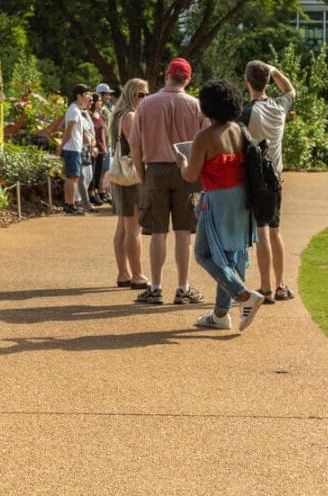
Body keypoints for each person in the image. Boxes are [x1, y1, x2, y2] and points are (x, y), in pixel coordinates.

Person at [177, 79, 267, 332]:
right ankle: (220, 314)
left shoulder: (204, 137)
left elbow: (191, 175)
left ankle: (242, 295)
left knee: (205, 254)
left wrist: (181, 163)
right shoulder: (239, 129)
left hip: (217, 200)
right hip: (241, 199)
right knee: (229, 256)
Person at [126, 57, 206, 306]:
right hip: (186, 170)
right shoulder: (195, 106)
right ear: (188, 79)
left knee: (157, 232)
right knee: (184, 232)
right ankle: (183, 287)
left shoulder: (147, 104)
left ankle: (156, 287)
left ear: (166, 76)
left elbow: (135, 145)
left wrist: (142, 174)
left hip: (156, 170)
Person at [241, 60, 296, 302]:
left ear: (247, 82)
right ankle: (281, 285)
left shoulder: (247, 112)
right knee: (275, 230)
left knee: (262, 229)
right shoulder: (279, 107)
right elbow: (290, 90)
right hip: (276, 175)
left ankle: (265, 287)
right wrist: (274, 70)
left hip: (256, 176)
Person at [107, 78, 150, 288]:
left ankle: (124, 273)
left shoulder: (118, 115)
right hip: (131, 176)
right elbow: (137, 148)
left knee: (123, 226)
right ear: (132, 94)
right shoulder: (130, 116)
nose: (145, 98)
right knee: (133, 228)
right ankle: (137, 274)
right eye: (141, 94)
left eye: (146, 94)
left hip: (120, 175)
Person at [52, 84, 92, 215]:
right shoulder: (74, 110)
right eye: (86, 94)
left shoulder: (75, 110)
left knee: (74, 177)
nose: (88, 97)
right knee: (72, 177)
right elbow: (68, 131)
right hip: (72, 149)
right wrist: (61, 147)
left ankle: (71, 204)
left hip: (74, 148)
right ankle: (69, 205)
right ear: (78, 95)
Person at [88, 93, 110, 206]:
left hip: (101, 147)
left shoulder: (100, 115)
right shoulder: (89, 115)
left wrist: (105, 147)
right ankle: (91, 193)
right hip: (93, 147)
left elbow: (102, 133)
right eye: (99, 100)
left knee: (98, 172)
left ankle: (96, 190)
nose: (100, 102)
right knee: (92, 171)